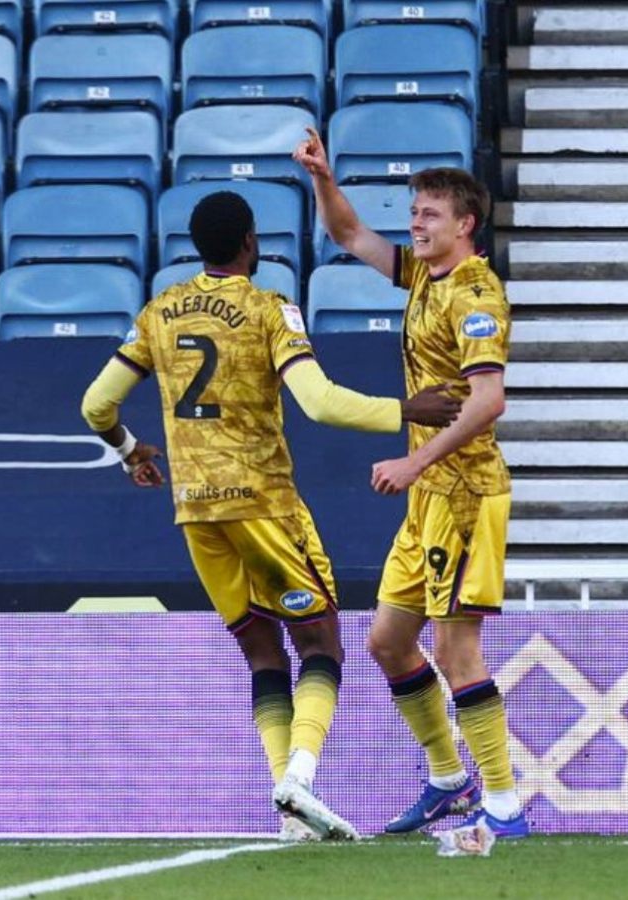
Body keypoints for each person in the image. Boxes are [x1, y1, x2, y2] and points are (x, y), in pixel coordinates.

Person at [79, 191, 461, 842]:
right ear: (250, 243)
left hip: (195, 511)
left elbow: (95, 404)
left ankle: (292, 815)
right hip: (263, 503)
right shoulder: (267, 310)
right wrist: (407, 410)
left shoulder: (158, 313)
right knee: (320, 644)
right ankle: (301, 780)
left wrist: (128, 451)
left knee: (263, 655)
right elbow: (321, 403)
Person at [296, 130, 527, 839]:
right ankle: (448, 780)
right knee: (390, 642)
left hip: (463, 494)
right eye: (414, 210)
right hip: (429, 499)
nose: (415, 223)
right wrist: (322, 178)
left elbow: (489, 402)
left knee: (459, 651)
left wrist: (413, 462)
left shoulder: (476, 294)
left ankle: (505, 807)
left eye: (429, 213)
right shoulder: (425, 276)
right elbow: (348, 232)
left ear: (466, 224)